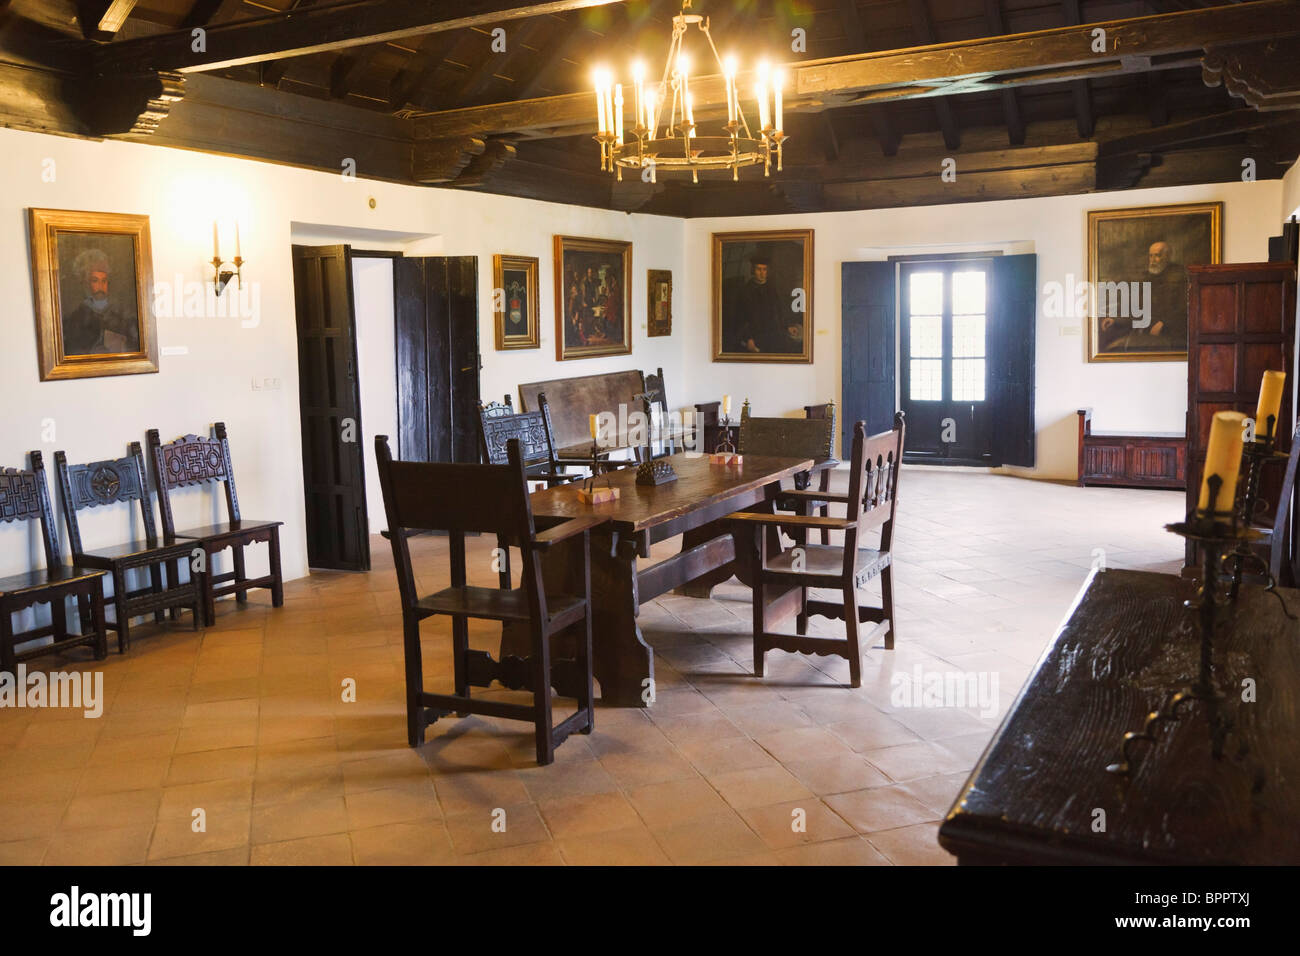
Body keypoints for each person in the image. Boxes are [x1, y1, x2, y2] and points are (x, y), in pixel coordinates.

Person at [1100, 240, 1188, 352]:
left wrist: (1164, 323)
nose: (1153, 260)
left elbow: (1184, 308)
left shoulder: (1180, 276)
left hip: (1171, 329)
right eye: (1151, 256)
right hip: (1146, 326)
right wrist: (1115, 319)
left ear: (1168, 256)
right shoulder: (1147, 277)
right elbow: (1134, 305)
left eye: (1157, 256)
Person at [61, 248, 137, 355]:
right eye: (95, 280)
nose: (101, 286)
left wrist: (122, 345)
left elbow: (135, 345)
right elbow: (71, 349)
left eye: (104, 281)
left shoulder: (122, 313)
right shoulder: (76, 318)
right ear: (85, 283)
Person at [732, 255, 788, 354]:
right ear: (753, 270)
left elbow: (779, 311)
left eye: (764, 269)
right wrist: (748, 338)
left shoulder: (773, 289)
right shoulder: (745, 291)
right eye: (759, 269)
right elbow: (740, 318)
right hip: (754, 337)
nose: (762, 273)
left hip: (773, 334)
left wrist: (787, 326)